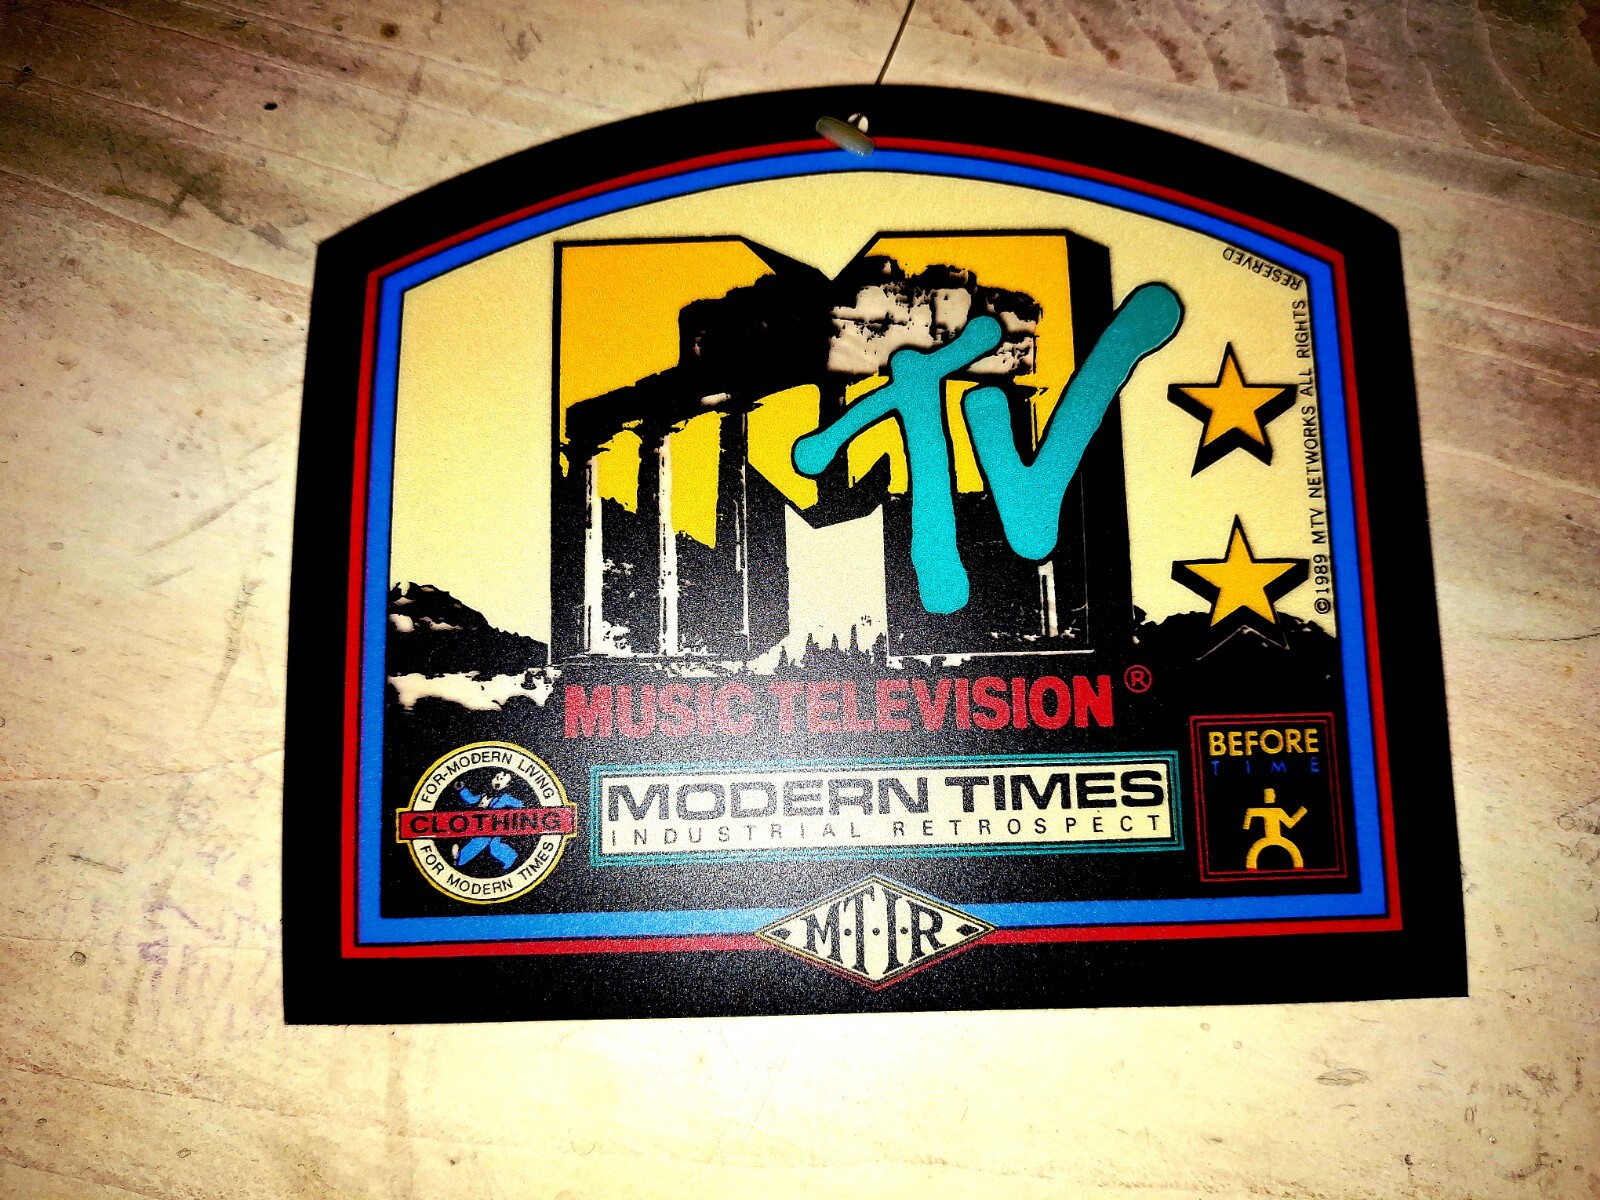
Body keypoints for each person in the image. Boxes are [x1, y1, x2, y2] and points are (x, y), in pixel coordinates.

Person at [451, 770, 524, 870]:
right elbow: (471, 799)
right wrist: (462, 789)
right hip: (481, 825)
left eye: (502, 780)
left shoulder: (504, 797)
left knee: (483, 844)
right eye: (497, 778)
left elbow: (519, 804)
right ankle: (459, 859)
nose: (498, 782)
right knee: (488, 845)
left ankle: (459, 859)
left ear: (507, 785)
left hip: (494, 825)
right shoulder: (483, 795)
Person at [1243, 787, 1306, 869]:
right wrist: (1247, 824)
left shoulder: (1279, 811)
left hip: (1277, 838)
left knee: (1293, 851)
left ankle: (1298, 866)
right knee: (1254, 852)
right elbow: (1250, 812)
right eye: (1268, 795)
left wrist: (1299, 814)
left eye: (1271, 794)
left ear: (1274, 796)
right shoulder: (1267, 810)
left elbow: (1290, 824)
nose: (1269, 797)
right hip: (1269, 838)